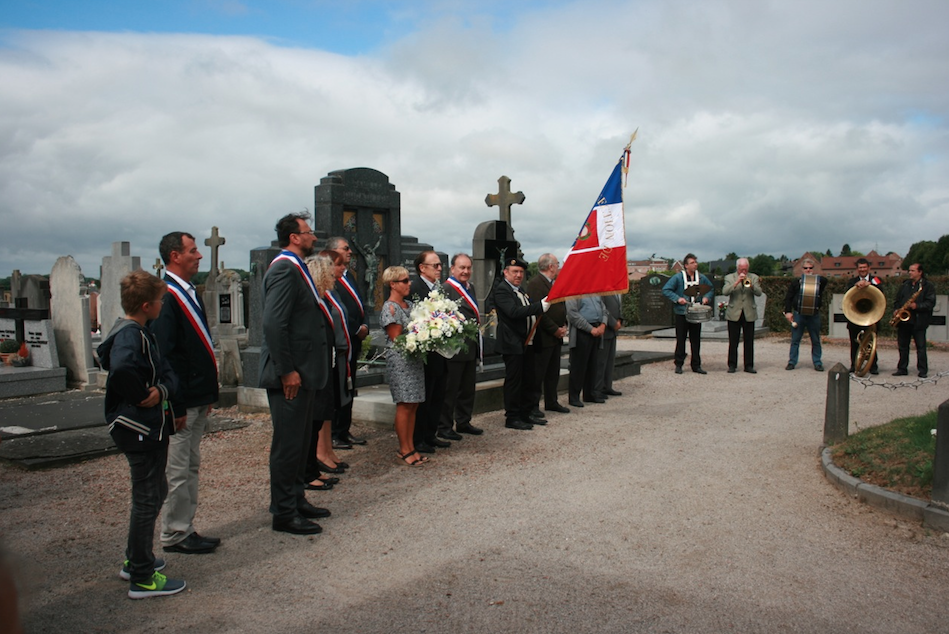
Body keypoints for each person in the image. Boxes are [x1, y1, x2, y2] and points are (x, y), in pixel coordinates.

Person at [98, 270, 186, 599]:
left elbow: (165, 374)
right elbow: (121, 369)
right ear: (147, 305)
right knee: (148, 498)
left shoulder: (137, 330)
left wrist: (162, 388)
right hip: (140, 428)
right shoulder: (131, 336)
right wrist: (143, 395)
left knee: (154, 491)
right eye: (161, 300)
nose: (164, 305)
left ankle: (137, 558)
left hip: (146, 426)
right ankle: (142, 577)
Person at [259, 212, 332, 535]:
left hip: (305, 371)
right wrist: (286, 370)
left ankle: (297, 497)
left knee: (301, 442)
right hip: (291, 375)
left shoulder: (297, 267)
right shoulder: (285, 269)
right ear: (293, 237)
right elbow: (274, 324)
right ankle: (283, 512)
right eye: (308, 232)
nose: (313, 238)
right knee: (288, 445)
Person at [151, 232, 220, 556]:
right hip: (182, 402)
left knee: (190, 466)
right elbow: (166, 355)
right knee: (178, 471)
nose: (200, 256)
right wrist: (175, 403)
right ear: (175, 256)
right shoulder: (167, 296)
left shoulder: (187, 292)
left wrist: (205, 394)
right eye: (193, 251)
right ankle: (175, 533)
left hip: (195, 397)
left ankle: (185, 527)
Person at [303, 251, 353, 491]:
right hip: (317, 366)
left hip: (328, 361)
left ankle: (314, 466)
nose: (335, 274)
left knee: (322, 415)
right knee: (313, 421)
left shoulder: (325, 298)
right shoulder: (314, 300)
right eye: (331, 270)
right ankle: (310, 469)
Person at [491, 257, 550, 430]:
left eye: (521, 272)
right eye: (515, 271)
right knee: (514, 382)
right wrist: (539, 306)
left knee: (528, 380)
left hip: (527, 343)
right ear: (506, 272)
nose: (518, 275)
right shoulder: (502, 290)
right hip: (512, 343)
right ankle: (512, 417)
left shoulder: (520, 290)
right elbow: (514, 312)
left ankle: (526, 413)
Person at [380, 266, 428, 466]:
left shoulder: (409, 304)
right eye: (405, 281)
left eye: (408, 280)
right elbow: (396, 337)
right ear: (393, 284)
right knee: (404, 403)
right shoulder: (390, 307)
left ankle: (411, 445)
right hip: (400, 360)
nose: (409, 284)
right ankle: (404, 448)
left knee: (414, 403)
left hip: (414, 359)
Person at [326, 236, 369, 450]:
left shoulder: (348, 275)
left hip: (355, 341)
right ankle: (334, 432)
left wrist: (365, 325)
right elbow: (337, 311)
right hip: (342, 341)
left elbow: (360, 303)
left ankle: (344, 429)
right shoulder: (328, 279)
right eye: (346, 249)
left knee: (350, 387)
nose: (350, 251)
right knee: (338, 386)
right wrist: (354, 328)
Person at [409, 250, 449, 452]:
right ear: (422, 268)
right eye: (435, 265)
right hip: (424, 352)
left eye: (440, 265)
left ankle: (430, 434)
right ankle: (419, 438)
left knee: (437, 395)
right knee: (425, 396)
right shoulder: (414, 288)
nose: (440, 268)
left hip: (440, 352)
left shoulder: (439, 288)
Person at [440, 253, 483, 437]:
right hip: (454, 348)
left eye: (468, 268)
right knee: (451, 390)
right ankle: (444, 427)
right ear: (452, 269)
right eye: (462, 268)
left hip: (470, 346)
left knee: (467, 388)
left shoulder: (470, 287)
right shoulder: (446, 289)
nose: (465, 271)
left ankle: (464, 421)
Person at [526, 254, 570, 414]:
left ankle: (552, 401)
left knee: (553, 372)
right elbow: (539, 312)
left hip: (556, 337)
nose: (558, 267)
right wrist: (554, 329)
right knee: (539, 373)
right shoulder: (536, 284)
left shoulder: (554, 283)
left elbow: (560, 306)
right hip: (543, 337)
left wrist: (563, 325)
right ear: (550, 266)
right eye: (557, 264)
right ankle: (533, 405)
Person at [662, 254, 713, 374]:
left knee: (696, 340)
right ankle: (679, 364)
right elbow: (666, 289)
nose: (695, 264)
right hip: (682, 313)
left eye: (695, 262)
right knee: (681, 339)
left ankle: (696, 365)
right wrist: (677, 298)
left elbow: (710, 289)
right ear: (686, 265)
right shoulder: (678, 278)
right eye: (692, 262)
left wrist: (706, 298)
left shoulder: (701, 277)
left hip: (696, 312)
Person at [893, 262, 937, 378]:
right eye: (909, 270)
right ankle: (902, 368)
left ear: (920, 272)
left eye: (912, 271)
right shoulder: (905, 285)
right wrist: (896, 309)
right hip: (904, 321)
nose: (910, 273)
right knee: (903, 346)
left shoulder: (927, 286)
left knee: (921, 347)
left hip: (919, 321)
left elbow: (930, 303)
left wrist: (917, 306)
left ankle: (922, 370)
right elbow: (897, 300)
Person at [784, 258, 828, 371]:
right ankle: (792, 362)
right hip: (799, 314)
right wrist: (788, 312)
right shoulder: (796, 282)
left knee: (815, 340)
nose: (808, 270)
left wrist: (813, 277)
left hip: (814, 314)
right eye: (805, 268)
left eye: (810, 268)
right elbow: (788, 298)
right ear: (802, 269)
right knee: (795, 340)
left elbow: (825, 280)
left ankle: (817, 362)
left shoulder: (819, 282)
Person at [566, 295, 608, 407]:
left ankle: (590, 394)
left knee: (593, 364)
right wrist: (590, 329)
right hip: (582, 331)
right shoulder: (574, 292)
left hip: (597, 328)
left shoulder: (594, 291)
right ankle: (574, 396)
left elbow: (604, 309)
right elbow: (572, 314)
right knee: (578, 365)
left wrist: (603, 324)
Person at [723, 258, 762, 374]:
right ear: (737, 268)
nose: (743, 272)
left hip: (749, 312)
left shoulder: (754, 277)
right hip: (734, 313)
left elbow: (759, 292)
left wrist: (751, 286)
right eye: (741, 269)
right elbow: (725, 292)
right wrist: (736, 283)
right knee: (733, 341)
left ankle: (749, 365)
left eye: (745, 269)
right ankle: (732, 365)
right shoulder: (729, 277)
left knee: (749, 341)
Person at [846, 257, 882, 375]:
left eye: (864, 267)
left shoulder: (876, 279)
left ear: (869, 268)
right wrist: (855, 286)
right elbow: (847, 296)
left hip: (871, 316)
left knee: (871, 342)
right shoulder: (852, 281)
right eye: (860, 268)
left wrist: (869, 284)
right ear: (857, 269)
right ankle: (854, 365)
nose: (862, 270)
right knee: (854, 343)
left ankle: (873, 366)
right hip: (856, 317)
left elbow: (881, 291)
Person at [595, 293, 624, 396]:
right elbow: (603, 308)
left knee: (610, 360)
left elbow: (619, 306)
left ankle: (607, 386)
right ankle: (598, 387)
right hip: (606, 328)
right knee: (601, 361)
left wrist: (620, 319)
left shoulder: (616, 289)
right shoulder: (603, 289)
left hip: (614, 330)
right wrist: (613, 323)